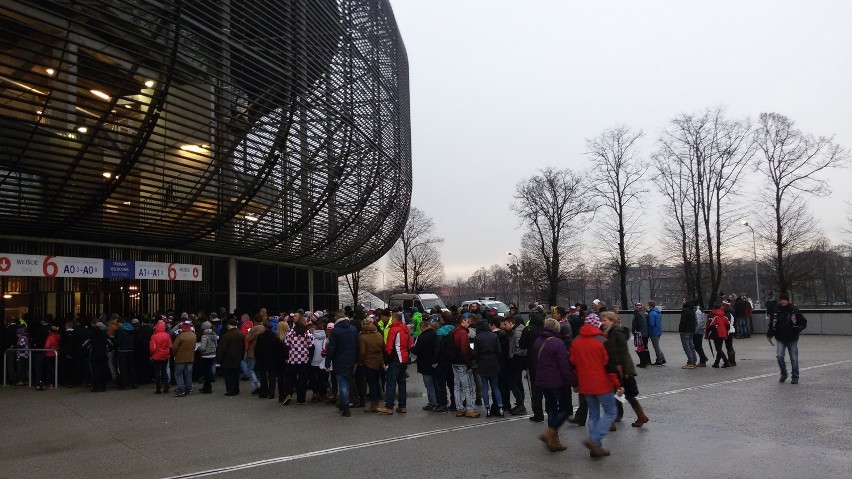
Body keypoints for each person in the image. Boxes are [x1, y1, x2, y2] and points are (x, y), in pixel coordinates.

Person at [570, 313, 622, 459]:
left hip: (585, 385)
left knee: (593, 414)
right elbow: (610, 367)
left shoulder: (576, 342)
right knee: (611, 412)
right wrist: (618, 384)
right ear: (597, 324)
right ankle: (594, 440)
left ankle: (596, 448)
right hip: (602, 384)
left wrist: (575, 383)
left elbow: (572, 366)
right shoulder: (603, 341)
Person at [532, 318, 576, 452]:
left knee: (551, 408)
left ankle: (554, 442)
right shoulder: (558, 343)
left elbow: (534, 361)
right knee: (566, 409)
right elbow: (564, 366)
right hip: (557, 381)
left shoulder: (538, 341)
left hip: (542, 380)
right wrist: (572, 381)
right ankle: (550, 432)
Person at [600, 312, 649, 429]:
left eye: (605, 320)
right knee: (620, 393)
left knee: (626, 394)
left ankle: (638, 416)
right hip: (617, 367)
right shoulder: (610, 332)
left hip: (622, 369)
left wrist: (624, 370)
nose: (603, 322)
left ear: (612, 321)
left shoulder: (617, 332)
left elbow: (623, 352)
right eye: (602, 320)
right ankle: (636, 416)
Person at [767, 294, 807, 384]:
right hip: (780, 337)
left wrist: (798, 329)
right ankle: (784, 373)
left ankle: (795, 376)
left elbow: (803, 322)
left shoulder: (794, 310)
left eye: (784, 300)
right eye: (781, 300)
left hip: (792, 337)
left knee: (794, 358)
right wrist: (770, 334)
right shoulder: (776, 311)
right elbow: (772, 323)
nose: (782, 302)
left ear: (788, 301)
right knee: (779, 356)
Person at [326, 310, 359, 417]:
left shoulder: (335, 331)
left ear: (336, 318)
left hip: (339, 361)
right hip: (351, 361)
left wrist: (328, 363)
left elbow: (331, 348)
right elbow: (357, 346)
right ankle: (344, 403)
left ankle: (345, 407)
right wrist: (357, 360)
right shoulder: (353, 329)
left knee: (342, 384)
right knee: (347, 382)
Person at [377, 312, 411, 415]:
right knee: (402, 383)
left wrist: (386, 360)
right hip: (404, 358)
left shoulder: (394, 329)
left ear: (394, 319)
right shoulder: (405, 329)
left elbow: (389, 346)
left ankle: (389, 406)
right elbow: (409, 344)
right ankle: (402, 406)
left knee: (391, 383)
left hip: (395, 359)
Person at [519, 305, 546, 422]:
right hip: (546, 361)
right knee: (548, 387)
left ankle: (538, 413)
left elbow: (522, 345)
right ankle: (551, 411)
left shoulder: (528, 329)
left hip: (532, 362)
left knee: (535, 389)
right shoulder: (546, 328)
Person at [473, 318, 503, 418]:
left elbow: (475, 353)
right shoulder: (494, 336)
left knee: (485, 387)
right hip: (493, 361)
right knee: (495, 387)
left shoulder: (478, 337)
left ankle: (487, 408)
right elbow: (499, 351)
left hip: (482, 362)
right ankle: (500, 407)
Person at [282, 315, 314, 405]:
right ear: (304, 322)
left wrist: (286, 357)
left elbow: (286, 345)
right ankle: (301, 399)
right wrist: (309, 358)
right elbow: (311, 347)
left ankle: (288, 394)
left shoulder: (290, 332)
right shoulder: (308, 333)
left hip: (292, 359)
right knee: (302, 379)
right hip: (304, 359)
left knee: (289, 378)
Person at [410, 320, 438, 411]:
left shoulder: (422, 337)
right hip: (435, 363)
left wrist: (411, 349)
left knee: (429, 385)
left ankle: (433, 403)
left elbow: (415, 351)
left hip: (425, 364)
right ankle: (440, 401)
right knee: (436, 383)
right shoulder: (436, 334)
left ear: (422, 327)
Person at [359, 319, 385, 412]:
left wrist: (359, 362)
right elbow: (383, 348)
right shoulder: (379, 335)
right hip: (379, 362)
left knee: (372, 383)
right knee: (377, 381)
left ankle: (374, 404)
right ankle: (377, 401)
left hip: (368, 363)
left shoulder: (363, 338)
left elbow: (362, 352)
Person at [217, 319, 245, 396]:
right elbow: (243, 347)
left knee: (228, 376)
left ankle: (230, 391)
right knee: (236, 376)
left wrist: (219, 359)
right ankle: (236, 390)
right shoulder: (240, 334)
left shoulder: (227, 336)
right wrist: (241, 356)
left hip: (228, 359)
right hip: (237, 358)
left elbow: (221, 349)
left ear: (229, 325)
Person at [253, 320, 280, 399]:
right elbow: (277, 349)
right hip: (272, 358)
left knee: (263, 376)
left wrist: (257, 356)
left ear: (264, 327)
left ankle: (264, 392)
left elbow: (257, 348)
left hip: (262, 358)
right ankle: (272, 393)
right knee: (272, 377)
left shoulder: (261, 336)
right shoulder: (275, 336)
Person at [171, 321, 196, 397]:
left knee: (178, 373)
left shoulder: (180, 336)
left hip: (181, 358)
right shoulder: (193, 335)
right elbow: (194, 346)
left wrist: (175, 355)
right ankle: (188, 389)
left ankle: (181, 389)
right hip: (190, 358)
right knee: (188, 374)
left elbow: (174, 348)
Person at [149, 320, 172, 394]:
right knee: (164, 370)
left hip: (156, 355)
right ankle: (166, 386)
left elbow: (152, 348)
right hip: (165, 355)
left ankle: (158, 388)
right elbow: (170, 346)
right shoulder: (167, 335)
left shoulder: (154, 336)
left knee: (157, 371)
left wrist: (151, 355)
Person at [198, 321, 218, 394]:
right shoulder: (214, 334)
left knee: (206, 372)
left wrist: (198, 348)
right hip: (212, 354)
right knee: (209, 370)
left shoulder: (204, 336)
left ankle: (207, 387)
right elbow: (216, 344)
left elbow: (203, 348)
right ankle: (206, 386)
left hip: (206, 355)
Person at [678, 297, 698, 369]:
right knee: (691, 345)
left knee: (686, 346)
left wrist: (681, 329)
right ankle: (694, 360)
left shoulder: (685, 310)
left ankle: (690, 361)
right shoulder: (692, 309)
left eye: (683, 300)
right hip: (691, 330)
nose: (683, 301)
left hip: (685, 330)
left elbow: (683, 321)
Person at [631, 303, 651, 368]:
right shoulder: (644, 314)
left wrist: (635, 331)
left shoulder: (637, 314)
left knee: (639, 348)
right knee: (644, 347)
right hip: (645, 333)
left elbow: (637, 324)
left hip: (640, 334)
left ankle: (643, 362)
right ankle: (647, 361)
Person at [647, 300, 665, 365]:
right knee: (657, 346)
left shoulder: (651, 313)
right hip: (658, 331)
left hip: (654, 332)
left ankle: (659, 360)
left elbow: (651, 324)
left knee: (656, 347)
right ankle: (662, 358)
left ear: (650, 305)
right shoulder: (657, 312)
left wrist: (649, 332)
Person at [693, 301, 709, 367]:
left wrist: (695, 331)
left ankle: (703, 359)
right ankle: (703, 359)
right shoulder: (699, 311)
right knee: (698, 346)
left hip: (698, 332)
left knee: (697, 346)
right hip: (700, 331)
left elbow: (699, 323)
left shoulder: (697, 312)